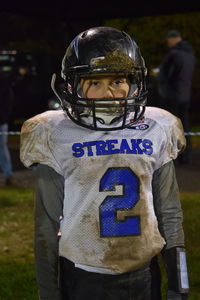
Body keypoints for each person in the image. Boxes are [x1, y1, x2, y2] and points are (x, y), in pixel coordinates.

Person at [20, 27, 189, 300]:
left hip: (143, 273)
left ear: (134, 84)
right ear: (73, 85)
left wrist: (179, 283)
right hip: (83, 276)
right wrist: (48, 292)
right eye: (95, 82)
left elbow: (170, 213)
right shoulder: (54, 131)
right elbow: (46, 226)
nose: (108, 93)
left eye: (118, 80)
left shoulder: (156, 126)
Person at [151, 30, 195, 164]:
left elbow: (167, 76)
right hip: (185, 95)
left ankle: (173, 158)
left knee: (171, 127)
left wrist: (157, 75)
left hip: (172, 96)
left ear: (173, 39)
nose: (168, 43)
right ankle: (185, 157)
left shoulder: (173, 54)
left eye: (168, 40)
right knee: (185, 127)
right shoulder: (190, 54)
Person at [0, 72, 16, 185]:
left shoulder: (2, 79)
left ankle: (8, 175)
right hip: (3, 119)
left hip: (1, 120)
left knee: (2, 147)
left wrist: (5, 115)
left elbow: (9, 97)